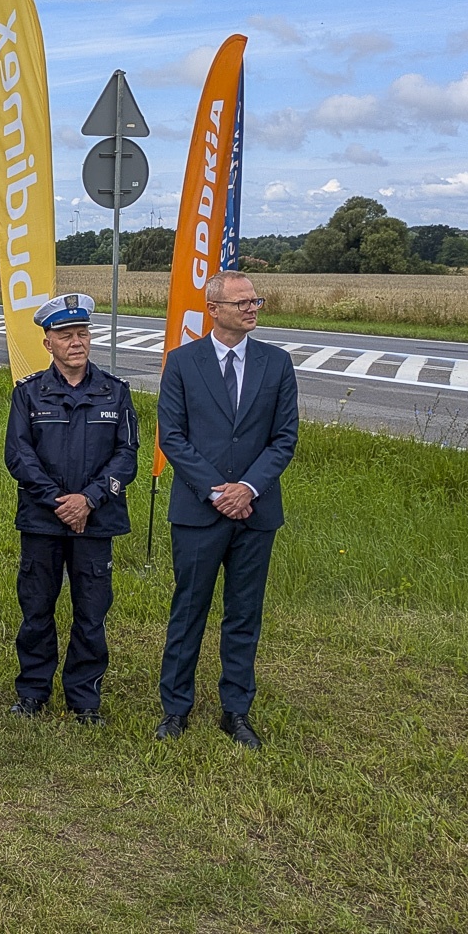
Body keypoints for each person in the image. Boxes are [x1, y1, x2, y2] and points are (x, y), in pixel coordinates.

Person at [154, 271, 299, 750]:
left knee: (244, 613)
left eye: (256, 301)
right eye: (243, 302)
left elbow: (284, 438)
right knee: (189, 610)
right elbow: (173, 436)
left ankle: (236, 710)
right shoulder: (182, 362)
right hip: (199, 511)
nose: (252, 308)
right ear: (213, 309)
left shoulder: (276, 363)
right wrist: (218, 492)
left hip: (256, 512)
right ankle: (175, 708)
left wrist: (248, 488)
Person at [3, 293, 139, 725]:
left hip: (96, 521)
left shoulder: (115, 393)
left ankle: (84, 698)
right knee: (36, 610)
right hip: (43, 521)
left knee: (92, 613)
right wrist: (59, 502)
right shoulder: (28, 394)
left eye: (82, 333)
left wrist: (89, 499)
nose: (76, 342)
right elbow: (19, 456)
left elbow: (127, 456)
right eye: (65, 335)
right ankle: (32, 692)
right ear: (48, 343)